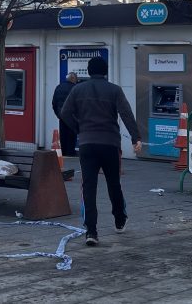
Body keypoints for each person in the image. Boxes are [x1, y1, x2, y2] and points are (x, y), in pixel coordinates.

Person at [60, 56, 142, 247]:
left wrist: (79, 129)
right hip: (110, 144)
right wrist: (136, 138)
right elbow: (126, 114)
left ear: (88, 71)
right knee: (114, 183)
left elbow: (64, 113)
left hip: (87, 144)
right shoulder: (114, 90)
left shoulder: (77, 89)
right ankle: (119, 219)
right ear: (105, 71)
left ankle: (91, 231)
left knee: (88, 187)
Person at [51, 72, 79, 156]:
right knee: (71, 136)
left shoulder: (59, 87)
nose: (77, 81)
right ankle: (70, 153)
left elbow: (54, 103)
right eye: (76, 79)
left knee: (63, 135)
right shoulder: (75, 88)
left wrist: (59, 115)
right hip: (72, 117)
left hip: (62, 116)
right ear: (73, 79)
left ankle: (63, 153)